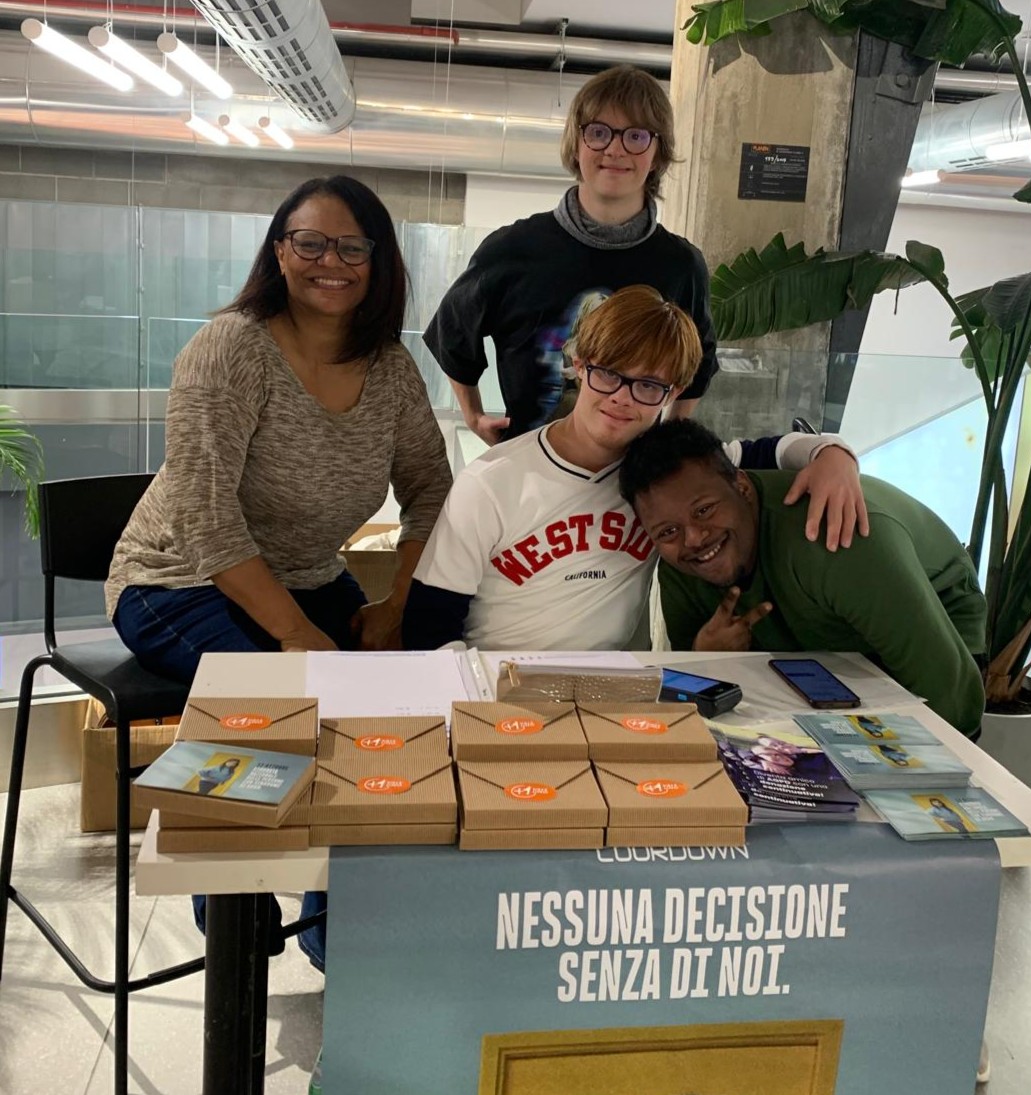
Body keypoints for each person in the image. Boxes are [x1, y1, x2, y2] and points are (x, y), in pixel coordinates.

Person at [106, 175, 452, 974]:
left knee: (387, 705)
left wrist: (394, 603)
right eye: (310, 242)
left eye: (353, 247)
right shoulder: (230, 348)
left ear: (378, 261)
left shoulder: (390, 367)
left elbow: (432, 488)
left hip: (307, 573)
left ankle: (337, 927)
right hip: (175, 579)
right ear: (279, 251)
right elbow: (205, 517)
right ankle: (235, 915)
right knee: (271, 700)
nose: (331, 261)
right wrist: (297, 636)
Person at [403, 285, 866, 652]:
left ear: (673, 392)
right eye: (608, 373)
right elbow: (428, 630)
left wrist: (833, 453)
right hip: (497, 686)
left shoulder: (671, 475)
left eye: (648, 385)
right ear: (579, 366)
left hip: (619, 691)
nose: (621, 398)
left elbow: (771, 452)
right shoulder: (491, 482)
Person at [619, 419, 988, 737]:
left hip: (927, 651)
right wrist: (705, 658)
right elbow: (696, 699)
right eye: (667, 531)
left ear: (742, 487)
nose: (694, 539)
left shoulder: (835, 539)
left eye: (704, 510)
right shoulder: (679, 568)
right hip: (807, 672)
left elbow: (953, 697)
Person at [425, 65, 718, 444]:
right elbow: (451, 335)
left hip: (633, 473)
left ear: (658, 151)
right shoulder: (511, 250)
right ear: (576, 143)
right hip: (528, 462)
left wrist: (669, 442)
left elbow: (698, 366)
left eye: (636, 135)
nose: (615, 149)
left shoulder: (682, 266)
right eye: (598, 132)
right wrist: (473, 416)